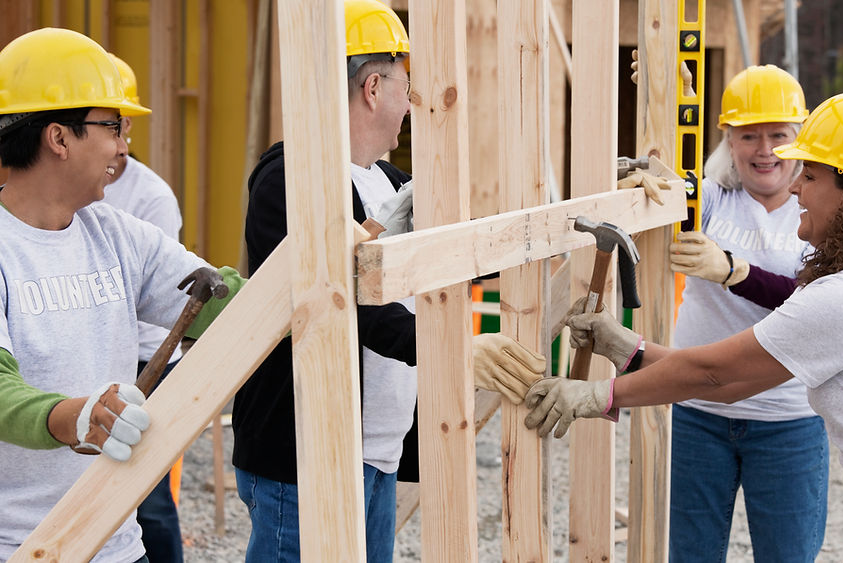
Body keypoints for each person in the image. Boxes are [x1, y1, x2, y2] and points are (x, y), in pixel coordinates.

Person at [525, 90, 843, 562]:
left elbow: (715, 376)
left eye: (813, 174)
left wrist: (598, 396)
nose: (797, 187)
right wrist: (628, 349)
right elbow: (732, 380)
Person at [232, 2, 547, 562]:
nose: (412, 103)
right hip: (306, 457)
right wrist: (451, 349)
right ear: (374, 86)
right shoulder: (291, 180)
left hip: (376, 454)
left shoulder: (391, 181)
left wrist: (537, 237)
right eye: (408, 85)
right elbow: (349, 303)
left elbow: (451, 255)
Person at [0, 28, 245, 561]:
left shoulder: (114, 232)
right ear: (59, 138)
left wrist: (340, 266)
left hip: (116, 539)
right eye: (111, 126)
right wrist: (72, 416)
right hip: (23, 545)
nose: (121, 145)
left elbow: (228, 304)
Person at [656, 65, 828, 562]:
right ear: (728, 140)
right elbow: (667, 181)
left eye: (779, 134)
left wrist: (734, 270)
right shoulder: (712, 199)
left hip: (788, 420)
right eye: (748, 135)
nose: (764, 149)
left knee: (788, 555)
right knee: (690, 554)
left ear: (800, 138)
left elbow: (814, 304)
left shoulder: (817, 210)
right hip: (697, 413)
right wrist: (666, 106)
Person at [101, 53, 185, 563]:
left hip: (147, 360)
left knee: (148, 499)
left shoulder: (150, 199)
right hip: (102, 358)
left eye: (121, 125)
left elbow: (158, 295)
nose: (119, 141)